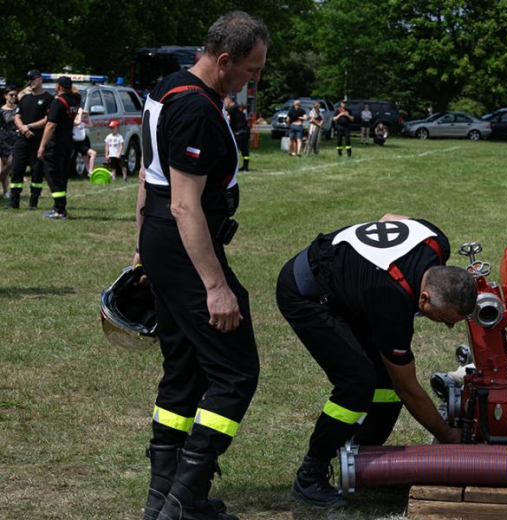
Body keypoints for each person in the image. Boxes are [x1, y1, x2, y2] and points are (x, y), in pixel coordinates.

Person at [133, 11, 268, 520]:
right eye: (251, 71)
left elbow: (148, 179)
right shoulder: (195, 109)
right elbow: (186, 204)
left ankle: (161, 498)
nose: (253, 80)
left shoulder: (168, 87)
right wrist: (215, 285)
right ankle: (182, 503)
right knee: (235, 372)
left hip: (163, 239)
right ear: (224, 59)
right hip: (185, 241)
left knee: (184, 371)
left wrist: (142, 248)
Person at [276, 215, 477, 507]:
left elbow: (388, 219)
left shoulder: (435, 241)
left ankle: (364, 460)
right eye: (444, 320)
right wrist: (447, 435)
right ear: (424, 300)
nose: (446, 327)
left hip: (352, 286)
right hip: (307, 292)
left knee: (383, 384)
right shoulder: (392, 302)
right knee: (357, 383)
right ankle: (310, 474)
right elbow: (408, 388)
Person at [6, 70, 53, 210]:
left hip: (38, 139)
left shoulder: (48, 98)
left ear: (40, 80)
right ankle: (14, 202)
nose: (30, 82)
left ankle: (33, 202)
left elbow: (48, 119)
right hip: (22, 139)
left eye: (32, 79)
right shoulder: (25, 98)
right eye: (28, 80)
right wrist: (23, 128)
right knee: (16, 169)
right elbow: (17, 116)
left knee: (37, 171)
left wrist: (30, 126)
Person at [37, 76, 80, 220]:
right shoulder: (75, 100)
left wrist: (42, 145)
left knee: (53, 176)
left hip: (55, 145)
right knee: (62, 176)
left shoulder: (57, 102)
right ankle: (59, 207)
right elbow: (76, 91)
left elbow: (50, 125)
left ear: (58, 87)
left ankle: (59, 210)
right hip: (68, 142)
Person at [0, 88, 19, 199]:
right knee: (5, 166)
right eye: (11, 95)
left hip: (16, 139)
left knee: (11, 164)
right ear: (5, 96)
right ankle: (6, 192)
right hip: (3, 139)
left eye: (15, 95)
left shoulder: (19, 109)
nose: (13, 97)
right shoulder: (1, 111)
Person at [225, 97, 250, 171]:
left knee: (234, 150)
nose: (225, 105)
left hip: (239, 133)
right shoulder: (239, 110)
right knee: (245, 150)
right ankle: (245, 167)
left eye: (225, 103)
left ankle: (232, 167)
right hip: (245, 132)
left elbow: (228, 117)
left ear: (229, 102)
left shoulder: (232, 109)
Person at [73, 105, 96, 177]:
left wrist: (87, 116)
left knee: (85, 158)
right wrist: (80, 112)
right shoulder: (73, 122)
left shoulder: (82, 123)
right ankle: (91, 171)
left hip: (83, 142)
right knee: (93, 153)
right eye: (78, 114)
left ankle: (89, 172)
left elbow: (90, 125)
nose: (80, 116)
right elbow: (78, 122)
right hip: (76, 142)